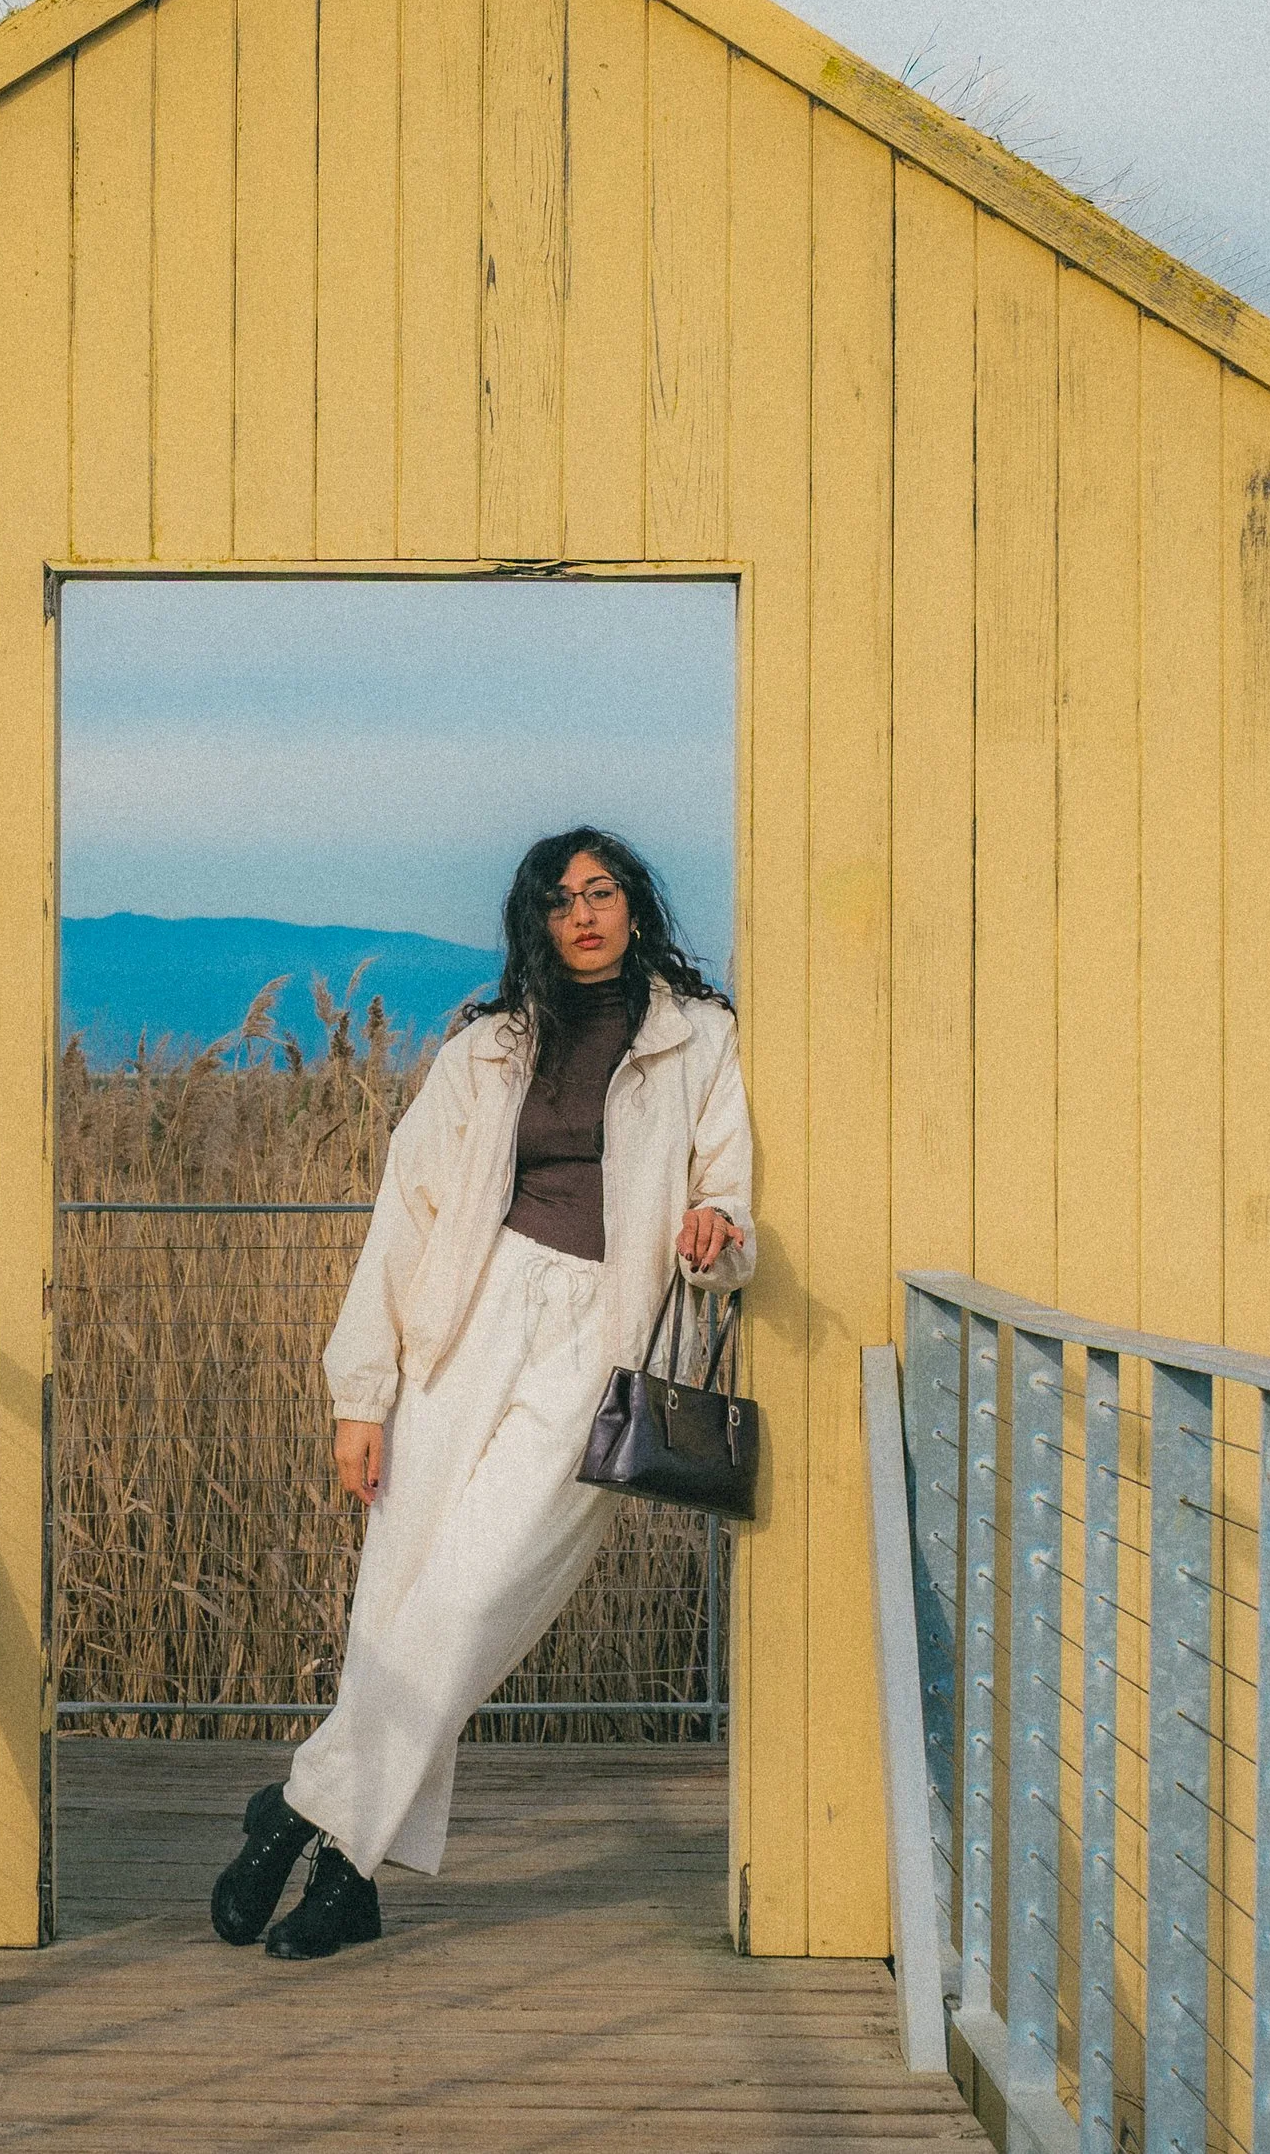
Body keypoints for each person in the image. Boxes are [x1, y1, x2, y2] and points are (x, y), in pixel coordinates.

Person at [209, 827, 754, 1959]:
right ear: (536, 920)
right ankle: (349, 1877)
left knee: (468, 1597)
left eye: (602, 891)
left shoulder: (699, 1038)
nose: (584, 914)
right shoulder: (487, 1047)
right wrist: (360, 1394)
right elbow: (402, 1220)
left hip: (600, 1340)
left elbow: (731, 1196)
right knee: (396, 1602)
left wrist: (717, 1230)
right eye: (561, 900)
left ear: (636, 905)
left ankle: (297, 1803)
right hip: (466, 1323)